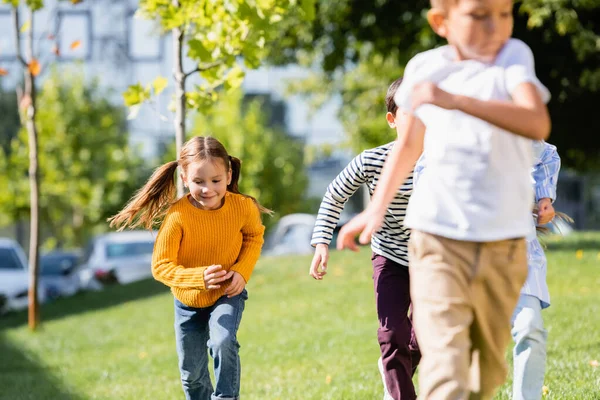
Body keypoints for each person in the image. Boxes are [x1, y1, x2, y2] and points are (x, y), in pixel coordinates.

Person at [337, 0, 552, 398]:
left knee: (483, 373)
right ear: (441, 22)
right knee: (446, 368)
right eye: (479, 15)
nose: (496, 26)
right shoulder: (423, 68)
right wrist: (375, 210)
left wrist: (455, 100)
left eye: (505, 14)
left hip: (502, 242)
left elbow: (536, 121)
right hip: (436, 237)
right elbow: (408, 145)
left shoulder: (512, 58)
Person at [109, 136, 269, 400]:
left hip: (227, 292)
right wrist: (198, 278)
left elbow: (254, 236)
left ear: (228, 175)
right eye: (198, 182)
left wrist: (241, 271)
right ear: (184, 178)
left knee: (222, 341)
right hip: (187, 303)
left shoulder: (243, 208)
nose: (208, 189)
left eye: (216, 180)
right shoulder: (178, 216)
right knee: (192, 376)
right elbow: (160, 267)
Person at [310, 78, 420, 400]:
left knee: (425, 338)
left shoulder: (440, 162)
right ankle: (399, 388)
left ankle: (393, 372)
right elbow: (334, 196)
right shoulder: (372, 160)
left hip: (433, 258)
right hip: (390, 256)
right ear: (392, 120)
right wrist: (321, 244)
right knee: (391, 333)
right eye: (409, 114)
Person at [512, 140, 560, 400]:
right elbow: (425, 169)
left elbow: (547, 154)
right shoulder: (455, 125)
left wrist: (544, 197)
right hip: (467, 253)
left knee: (529, 326)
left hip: (519, 251)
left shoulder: (513, 125)